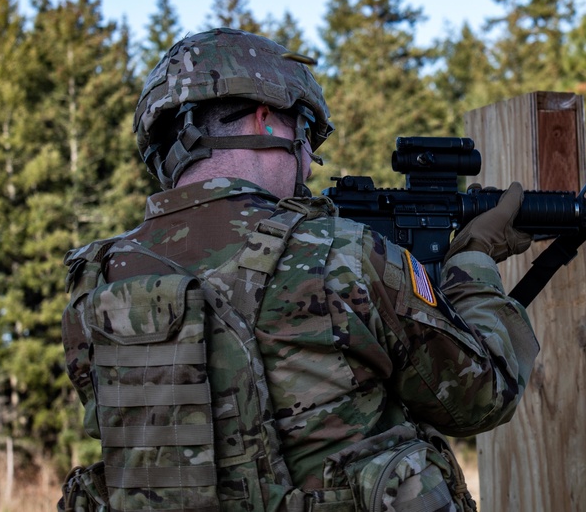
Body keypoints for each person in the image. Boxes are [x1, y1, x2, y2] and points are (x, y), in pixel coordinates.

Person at [61, 27, 538, 511]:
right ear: (267, 121)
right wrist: (474, 258)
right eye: (307, 135)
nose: (309, 166)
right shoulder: (340, 253)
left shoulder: (99, 280)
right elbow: (481, 395)